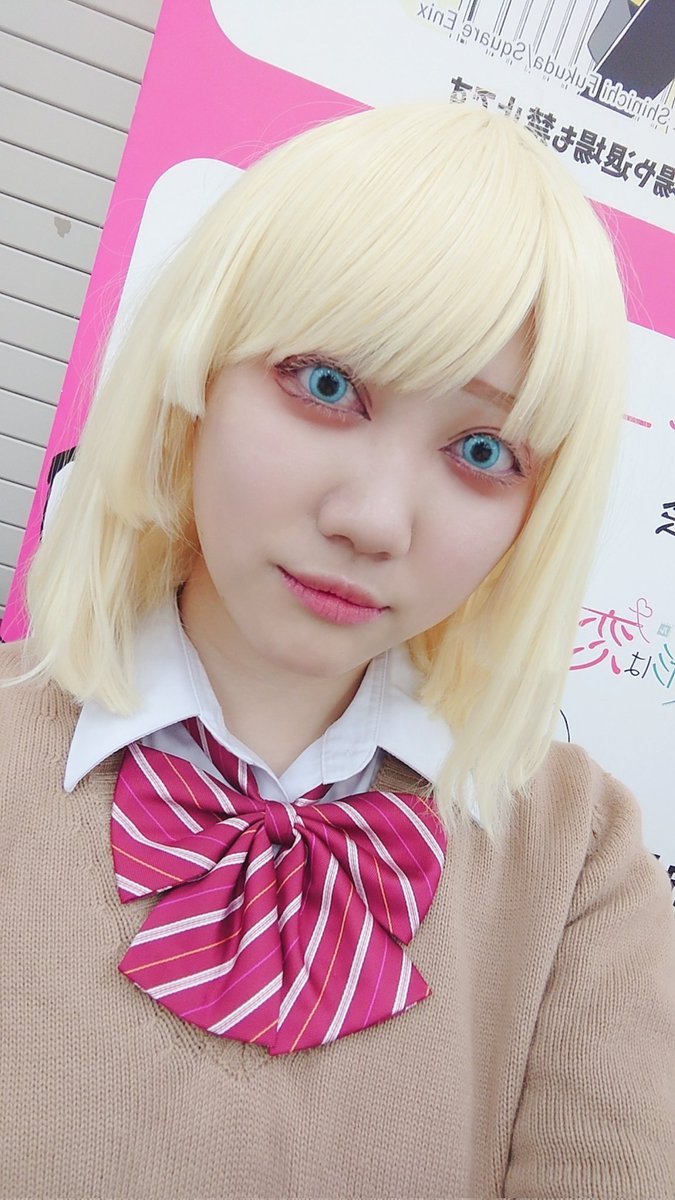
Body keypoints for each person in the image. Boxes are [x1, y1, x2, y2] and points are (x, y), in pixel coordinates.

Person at [1, 101, 673, 1200]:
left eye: (482, 450)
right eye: (327, 386)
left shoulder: (576, 860)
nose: (373, 520)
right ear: (197, 371)